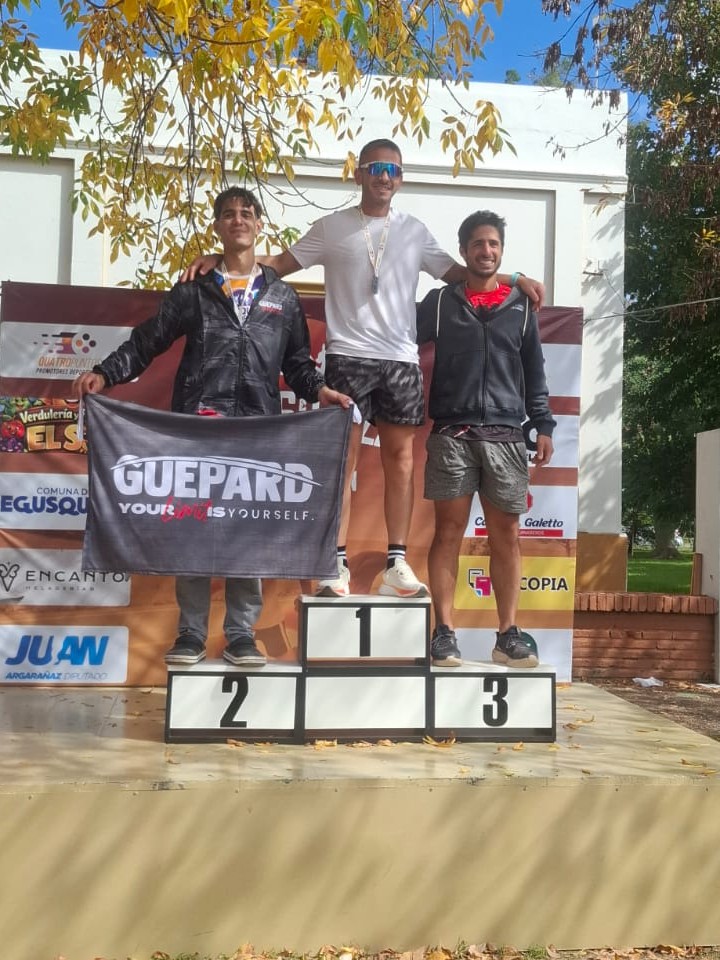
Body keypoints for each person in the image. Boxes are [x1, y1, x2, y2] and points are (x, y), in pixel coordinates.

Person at [182, 140, 544, 599]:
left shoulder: (414, 231)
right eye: (375, 168)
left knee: (401, 461)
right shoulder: (332, 227)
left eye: (392, 170)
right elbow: (278, 265)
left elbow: (461, 272)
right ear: (359, 174)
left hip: (400, 360)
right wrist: (221, 260)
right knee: (343, 463)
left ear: (401, 179)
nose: (383, 177)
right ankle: (335, 563)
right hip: (348, 356)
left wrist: (515, 278)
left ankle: (397, 563)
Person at [74, 187, 350, 668]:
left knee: (250, 529)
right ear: (218, 226)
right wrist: (105, 372)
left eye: (246, 213)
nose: (238, 220)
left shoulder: (282, 296)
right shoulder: (193, 290)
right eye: (228, 214)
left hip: (258, 429)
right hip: (198, 427)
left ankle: (241, 634)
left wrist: (320, 390)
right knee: (194, 526)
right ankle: (191, 633)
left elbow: (298, 364)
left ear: (259, 225)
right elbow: (148, 341)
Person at [417, 210, 555, 668]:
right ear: (464, 251)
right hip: (452, 434)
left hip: (506, 436)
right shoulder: (440, 303)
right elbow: (397, 337)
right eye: (478, 243)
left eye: (493, 243)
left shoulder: (521, 306)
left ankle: (507, 634)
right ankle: (444, 633)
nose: (486, 250)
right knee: (448, 533)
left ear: (501, 251)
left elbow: (534, 371)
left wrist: (544, 423)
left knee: (507, 536)